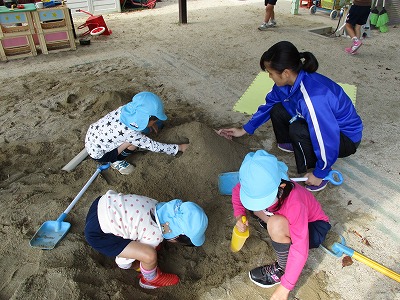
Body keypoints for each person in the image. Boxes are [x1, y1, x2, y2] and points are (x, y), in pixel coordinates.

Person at [217, 41, 363, 191]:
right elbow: (268, 105)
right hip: (323, 126)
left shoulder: (313, 98)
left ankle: (314, 170)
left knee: (297, 129)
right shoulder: (287, 83)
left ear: (285, 73)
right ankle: (292, 143)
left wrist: (320, 172)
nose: (269, 76)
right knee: (277, 108)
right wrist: (244, 129)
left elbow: (325, 136)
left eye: (271, 73)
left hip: (344, 138)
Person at [232, 150, 331, 300]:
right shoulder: (256, 183)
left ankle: (281, 269)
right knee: (258, 212)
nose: (260, 203)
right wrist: (240, 215)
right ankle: (276, 226)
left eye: (265, 200)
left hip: (314, 227)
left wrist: (285, 288)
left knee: (275, 224)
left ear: (282, 186)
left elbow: (300, 249)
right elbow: (237, 191)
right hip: (284, 216)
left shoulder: (294, 202)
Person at [84, 189, 208, 289]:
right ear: (175, 237)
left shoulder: (154, 203)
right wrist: (137, 264)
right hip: (97, 234)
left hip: (101, 204)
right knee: (149, 255)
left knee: (137, 235)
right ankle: (151, 280)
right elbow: (122, 262)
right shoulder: (155, 236)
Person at [85, 91, 189, 175]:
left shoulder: (126, 109)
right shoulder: (132, 134)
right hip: (101, 154)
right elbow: (154, 146)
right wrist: (179, 148)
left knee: (136, 136)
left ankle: (131, 139)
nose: (156, 122)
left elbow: (142, 116)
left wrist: (150, 123)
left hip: (92, 137)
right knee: (134, 143)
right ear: (148, 120)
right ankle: (116, 161)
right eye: (155, 120)